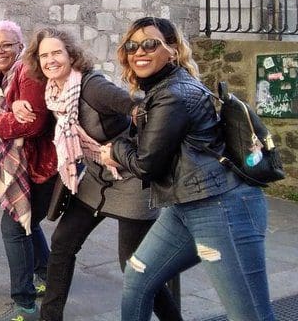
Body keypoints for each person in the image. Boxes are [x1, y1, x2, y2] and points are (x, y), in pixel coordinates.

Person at [100, 17, 274, 321]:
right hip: (184, 207)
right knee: (137, 276)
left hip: (222, 210)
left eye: (150, 43)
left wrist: (115, 150)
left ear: (172, 50)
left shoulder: (174, 94)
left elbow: (146, 164)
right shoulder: (162, 90)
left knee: (249, 315)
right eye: (132, 45)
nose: (139, 51)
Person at [15, 27, 182, 321]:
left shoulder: (92, 87)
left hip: (131, 181)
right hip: (95, 180)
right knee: (63, 243)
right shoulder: (55, 92)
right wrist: (16, 104)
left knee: (134, 266)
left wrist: (128, 152)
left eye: (57, 52)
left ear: (71, 55)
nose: (50, 60)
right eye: (44, 55)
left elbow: (143, 110)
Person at [0, 21, 57, 321]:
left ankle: (25, 304)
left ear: (21, 46)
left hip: (39, 163)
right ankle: (49, 277)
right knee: (26, 223)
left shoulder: (28, 73)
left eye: (7, 45)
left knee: (14, 228)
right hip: (21, 162)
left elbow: (33, 124)